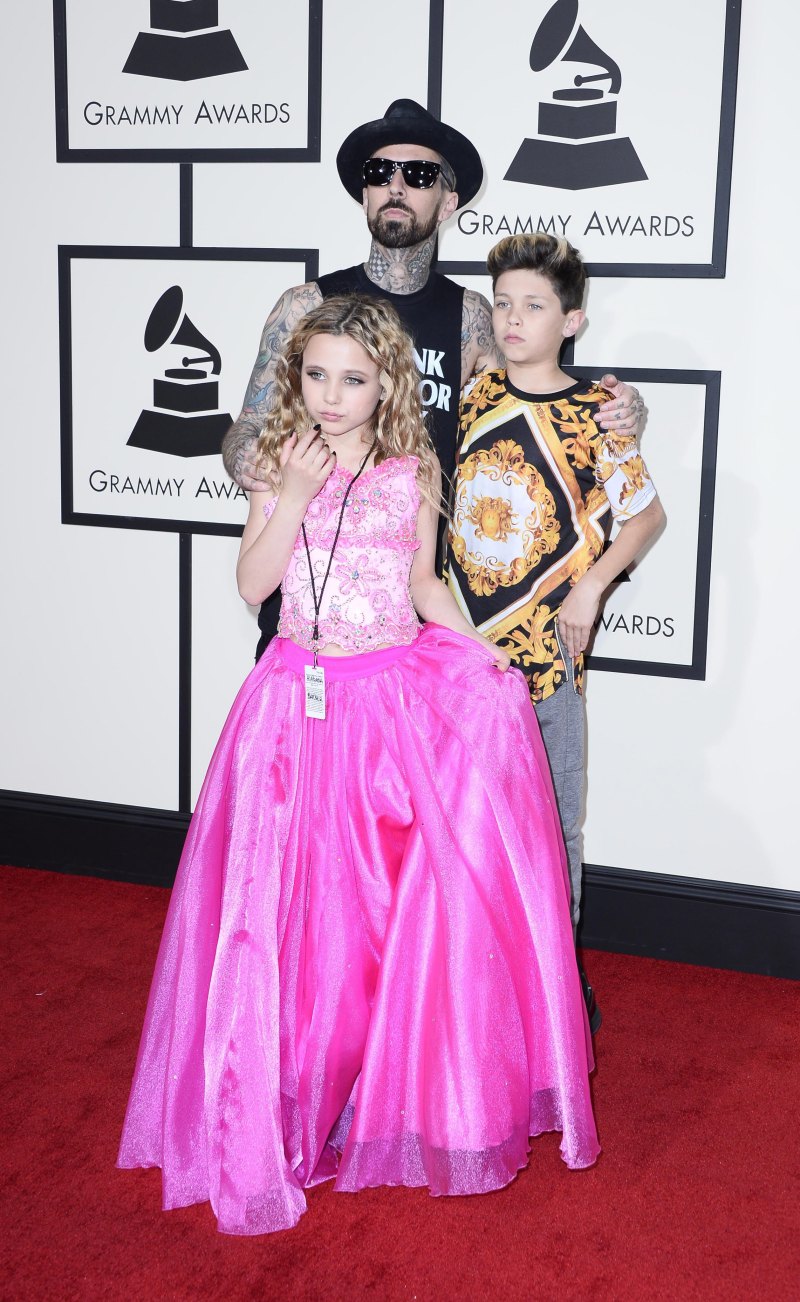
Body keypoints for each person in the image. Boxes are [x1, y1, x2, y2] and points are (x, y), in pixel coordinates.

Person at [118, 295, 599, 1237]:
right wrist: (294, 496)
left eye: (351, 379)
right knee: (285, 913)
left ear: (387, 386)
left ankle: (381, 1097)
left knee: (380, 919)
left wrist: (485, 654)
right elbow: (254, 585)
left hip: (387, 710)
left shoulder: (413, 471)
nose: (330, 396)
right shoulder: (276, 461)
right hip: (291, 713)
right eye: (315, 375)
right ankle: (285, 1095)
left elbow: (423, 586)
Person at [220, 98, 645, 658]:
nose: (395, 186)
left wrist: (620, 408)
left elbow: (530, 401)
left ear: (447, 202)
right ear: (364, 193)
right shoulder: (306, 306)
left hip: (421, 603)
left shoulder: (473, 318)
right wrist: (275, 481)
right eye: (380, 173)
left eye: (418, 174)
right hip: (306, 609)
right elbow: (248, 431)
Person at [447, 233, 666, 966]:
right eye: (504, 303)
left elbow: (646, 517)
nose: (513, 318)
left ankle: (556, 987)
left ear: (572, 320)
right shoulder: (474, 394)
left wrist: (592, 587)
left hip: (548, 659)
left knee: (553, 822)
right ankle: (469, 979)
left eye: (534, 306)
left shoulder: (598, 412)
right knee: (459, 818)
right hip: (462, 654)